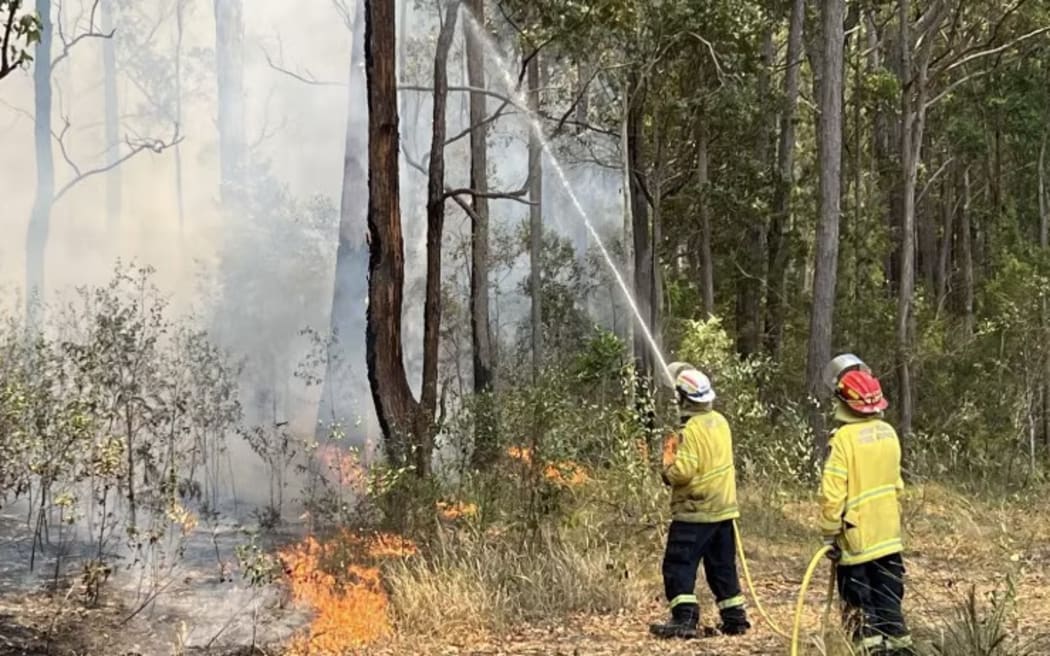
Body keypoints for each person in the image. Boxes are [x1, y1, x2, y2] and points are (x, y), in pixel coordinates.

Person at [649, 367, 750, 639]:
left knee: (678, 564)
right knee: (722, 567)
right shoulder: (721, 422)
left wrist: (667, 467)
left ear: (683, 398)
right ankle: (735, 619)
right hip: (723, 510)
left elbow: (683, 471)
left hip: (695, 512)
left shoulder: (690, 430)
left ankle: (684, 618)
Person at [820, 366, 914, 655]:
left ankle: (868, 650)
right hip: (888, 535)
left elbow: (833, 493)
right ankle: (899, 649)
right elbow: (897, 485)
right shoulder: (889, 433)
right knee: (889, 599)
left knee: (860, 605)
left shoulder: (843, 439)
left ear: (844, 403)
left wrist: (829, 531)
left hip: (857, 539)